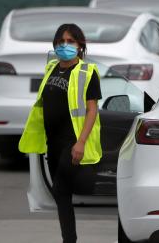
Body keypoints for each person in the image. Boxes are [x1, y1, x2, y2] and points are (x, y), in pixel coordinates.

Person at [19, 23, 102, 243]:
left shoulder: (87, 72)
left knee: (60, 186)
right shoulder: (52, 69)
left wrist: (81, 142)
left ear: (80, 45)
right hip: (52, 142)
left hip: (72, 142)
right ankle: (69, 239)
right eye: (60, 42)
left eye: (70, 41)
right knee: (61, 195)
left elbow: (92, 109)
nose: (65, 45)